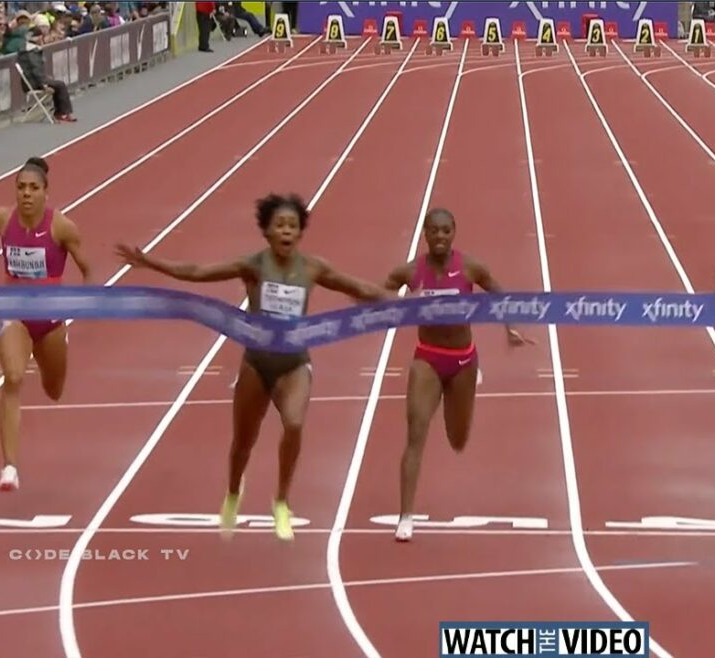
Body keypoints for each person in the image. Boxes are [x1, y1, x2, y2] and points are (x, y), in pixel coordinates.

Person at [115, 192, 393, 541]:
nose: (286, 230)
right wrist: (152, 263)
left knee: (294, 424)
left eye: (292, 225)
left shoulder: (313, 268)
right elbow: (198, 272)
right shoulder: (253, 265)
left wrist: (406, 303)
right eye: (280, 225)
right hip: (256, 364)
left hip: (294, 363)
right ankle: (233, 492)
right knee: (243, 442)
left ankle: (282, 502)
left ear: (300, 232)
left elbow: (358, 287)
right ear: (267, 231)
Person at [384, 208, 533, 542]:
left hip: (463, 359)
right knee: (416, 434)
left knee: (458, 439)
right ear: (425, 233)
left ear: (453, 233)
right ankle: (405, 516)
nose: (440, 236)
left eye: (446, 230)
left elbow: (498, 293)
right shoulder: (411, 271)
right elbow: (378, 293)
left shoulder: (470, 267)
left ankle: (470, 382)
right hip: (427, 357)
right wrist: (389, 304)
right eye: (434, 230)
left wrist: (510, 327)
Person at [0, 157, 93, 492]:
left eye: (33, 188)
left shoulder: (62, 227)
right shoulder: (3, 219)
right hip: (14, 312)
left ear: (46, 192)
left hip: (50, 319)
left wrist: (87, 300)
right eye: (21, 188)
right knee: (14, 377)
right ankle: (9, 467)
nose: (26, 194)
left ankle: (56, 351)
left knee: (54, 389)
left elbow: (88, 268)